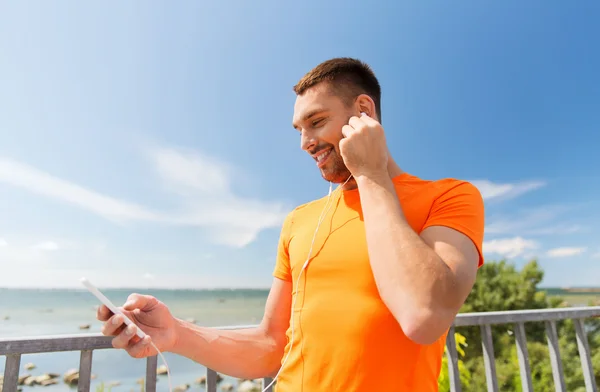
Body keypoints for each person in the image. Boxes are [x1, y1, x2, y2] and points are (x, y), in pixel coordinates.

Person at [97, 57, 485, 391]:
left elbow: (424, 316)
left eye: (316, 122)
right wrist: (177, 334)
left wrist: (370, 175)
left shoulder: (450, 197)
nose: (305, 142)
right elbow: (270, 346)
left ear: (364, 112)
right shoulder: (300, 221)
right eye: (299, 130)